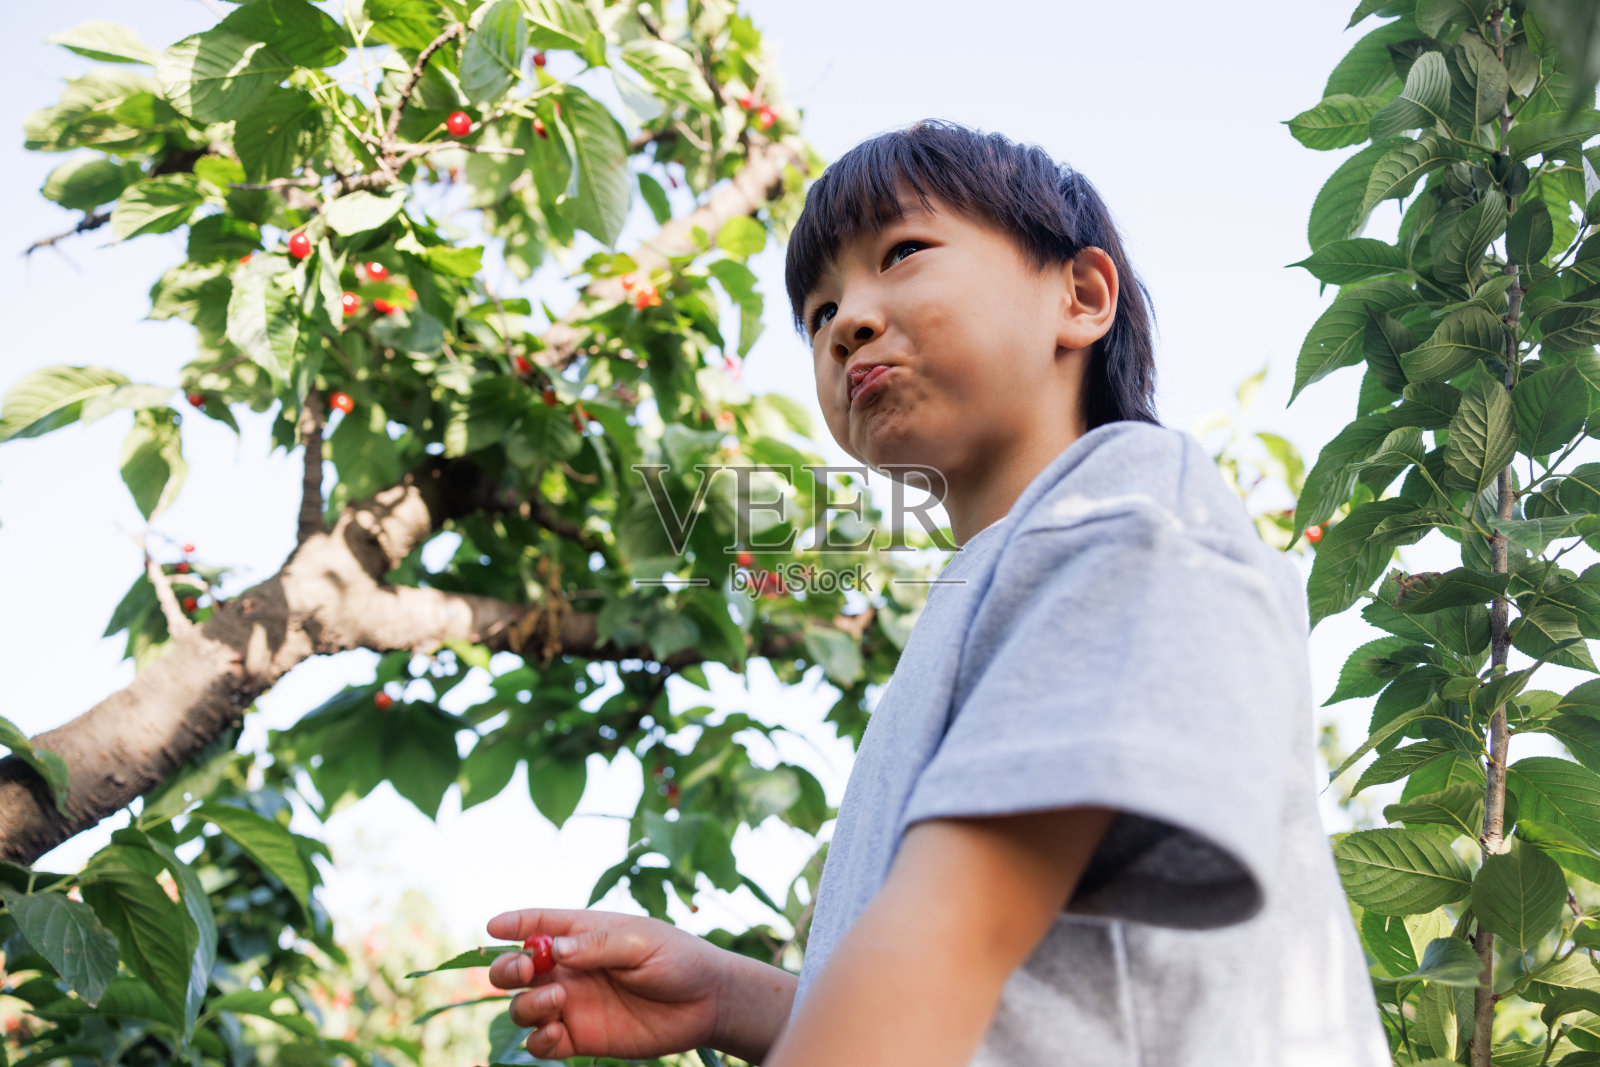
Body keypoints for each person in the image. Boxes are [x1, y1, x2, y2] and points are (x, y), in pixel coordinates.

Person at [485, 119, 1391, 1066]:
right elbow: (1001, 1007)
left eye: (904, 252)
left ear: (1081, 297)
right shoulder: (983, 592)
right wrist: (733, 998)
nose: (847, 323)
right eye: (818, 310)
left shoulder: (1127, 504)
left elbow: (948, 945)